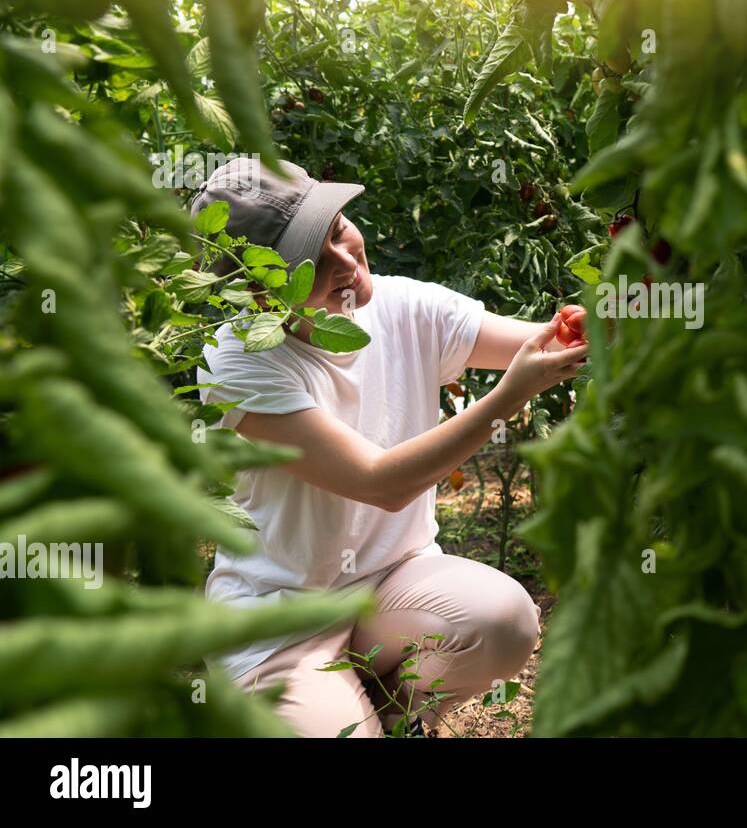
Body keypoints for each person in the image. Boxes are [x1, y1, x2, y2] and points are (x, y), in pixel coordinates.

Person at [190, 157, 587, 737]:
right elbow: (380, 483)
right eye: (310, 261)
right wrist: (507, 396)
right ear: (257, 293)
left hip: (392, 587)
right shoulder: (237, 361)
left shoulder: (402, 305)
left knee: (502, 618)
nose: (346, 262)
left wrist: (622, 317)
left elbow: (543, 343)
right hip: (280, 622)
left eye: (337, 231)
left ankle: (396, 716)